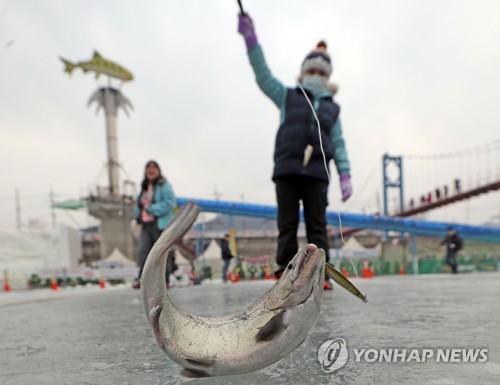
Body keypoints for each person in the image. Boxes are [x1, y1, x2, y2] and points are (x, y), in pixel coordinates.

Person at [238, 13, 352, 290]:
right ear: (303, 71)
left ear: (328, 77)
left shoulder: (331, 108)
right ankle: (285, 274)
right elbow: (263, 76)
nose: (316, 76)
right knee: (286, 225)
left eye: (321, 72)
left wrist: (345, 172)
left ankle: (320, 275)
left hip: (316, 172)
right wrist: (252, 43)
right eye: (312, 71)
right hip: (288, 169)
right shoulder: (288, 95)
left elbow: (338, 142)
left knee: (317, 226)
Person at [133, 160, 176, 289]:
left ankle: (165, 280)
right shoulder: (144, 187)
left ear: (158, 170)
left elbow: (170, 203)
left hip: (160, 224)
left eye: (154, 168)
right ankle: (142, 280)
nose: (151, 170)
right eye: (148, 168)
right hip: (146, 225)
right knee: (143, 252)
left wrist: (151, 208)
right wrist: (138, 214)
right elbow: (138, 205)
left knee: (162, 253)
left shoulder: (164, 185)